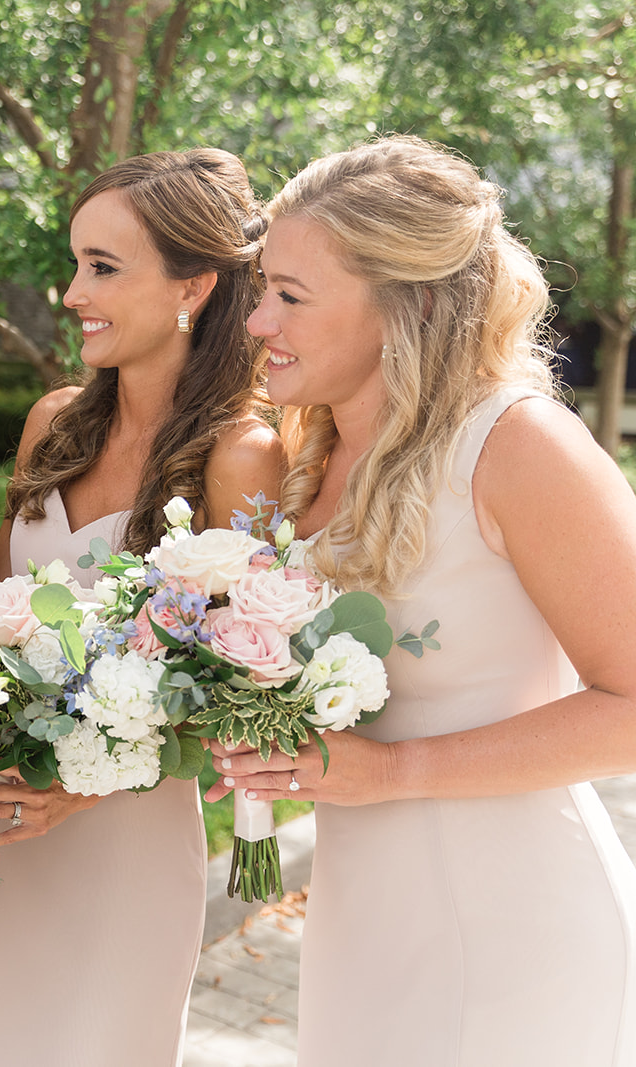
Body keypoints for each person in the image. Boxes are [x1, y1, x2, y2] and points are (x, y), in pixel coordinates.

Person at [214, 136, 636, 1065]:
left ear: (412, 305)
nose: (257, 321)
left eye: (292, 294)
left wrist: (394, 774)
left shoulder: (518, 445)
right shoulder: (310, 456)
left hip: (513, 929)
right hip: (361, 922)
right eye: (262, 289)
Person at [0, 149, 285, 1065]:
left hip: (124, 840)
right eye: (76, 262)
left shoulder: (242, 455)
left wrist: (77, 793)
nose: (71, 289)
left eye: (102, 267)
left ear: (193, 287)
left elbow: (251, 687)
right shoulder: (55, 419)